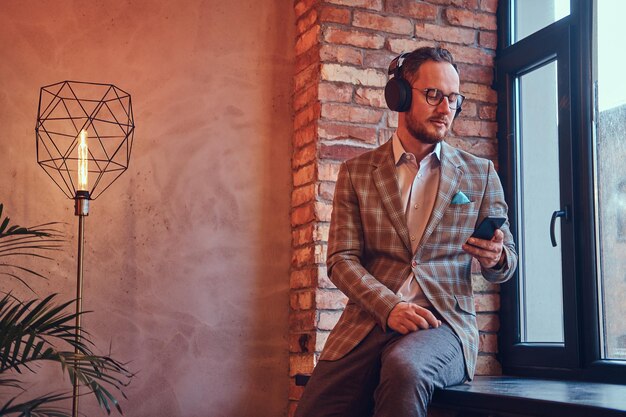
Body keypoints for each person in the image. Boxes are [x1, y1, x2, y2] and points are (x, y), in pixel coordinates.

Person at [295, 46, 518, 417]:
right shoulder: (357, 172)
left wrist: (497, 257)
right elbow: (340, 259)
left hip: (442, 324)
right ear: (398, 95)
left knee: (404, 369)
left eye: (453, 98)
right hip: (367, 324)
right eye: (433, 95)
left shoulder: (480, 173)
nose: (446, 108)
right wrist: (390, 306)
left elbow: (507, 261)